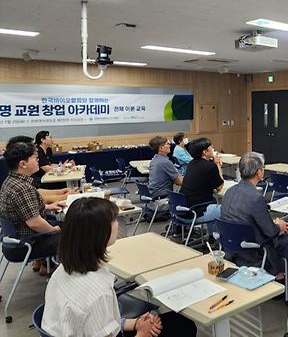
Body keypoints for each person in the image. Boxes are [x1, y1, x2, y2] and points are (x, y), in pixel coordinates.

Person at [42, 197, 197, 336]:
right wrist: (142, 333)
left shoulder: (64, 269)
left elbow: (98, 324)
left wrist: (134, 324)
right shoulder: (97, 294)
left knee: (177, 323)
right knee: (184, 327)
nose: (117, 223)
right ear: (100, 233)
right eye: (114, 220)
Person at [220, 152, 288, 279]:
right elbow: (270, 232)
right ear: (259, 172)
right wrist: (279, 226)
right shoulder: (256, 198)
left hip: (230, 243)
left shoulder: (229, 192)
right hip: (252, 248)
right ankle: (280, 276)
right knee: (285, 239)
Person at [0, 142, 65, 276]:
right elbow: (35, 223)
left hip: (13, 242)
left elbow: (23, 211)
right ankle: (67, 275)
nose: (38, 160)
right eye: (35, 158)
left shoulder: (10, 181)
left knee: (65, 225)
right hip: (25, 244)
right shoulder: (23, 188)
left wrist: (47, 207)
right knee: (77, 234)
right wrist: (54, 230)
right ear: (23, 164)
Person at [5, 135, 78, 203]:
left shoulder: (18, 178)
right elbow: (37, 198)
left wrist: (61, 192)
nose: (36, 149)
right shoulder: (21, 188)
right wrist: (65, 196)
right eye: (33, 146)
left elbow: (36, 192)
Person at [180, 137, 224, 211]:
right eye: (211, 146)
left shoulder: (191, 163)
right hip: (199, 210)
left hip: (184, 208)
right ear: (205, 152)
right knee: (226, 211)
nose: (212, 148)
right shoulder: (210, 166)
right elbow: (219, 187)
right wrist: (217, 165)